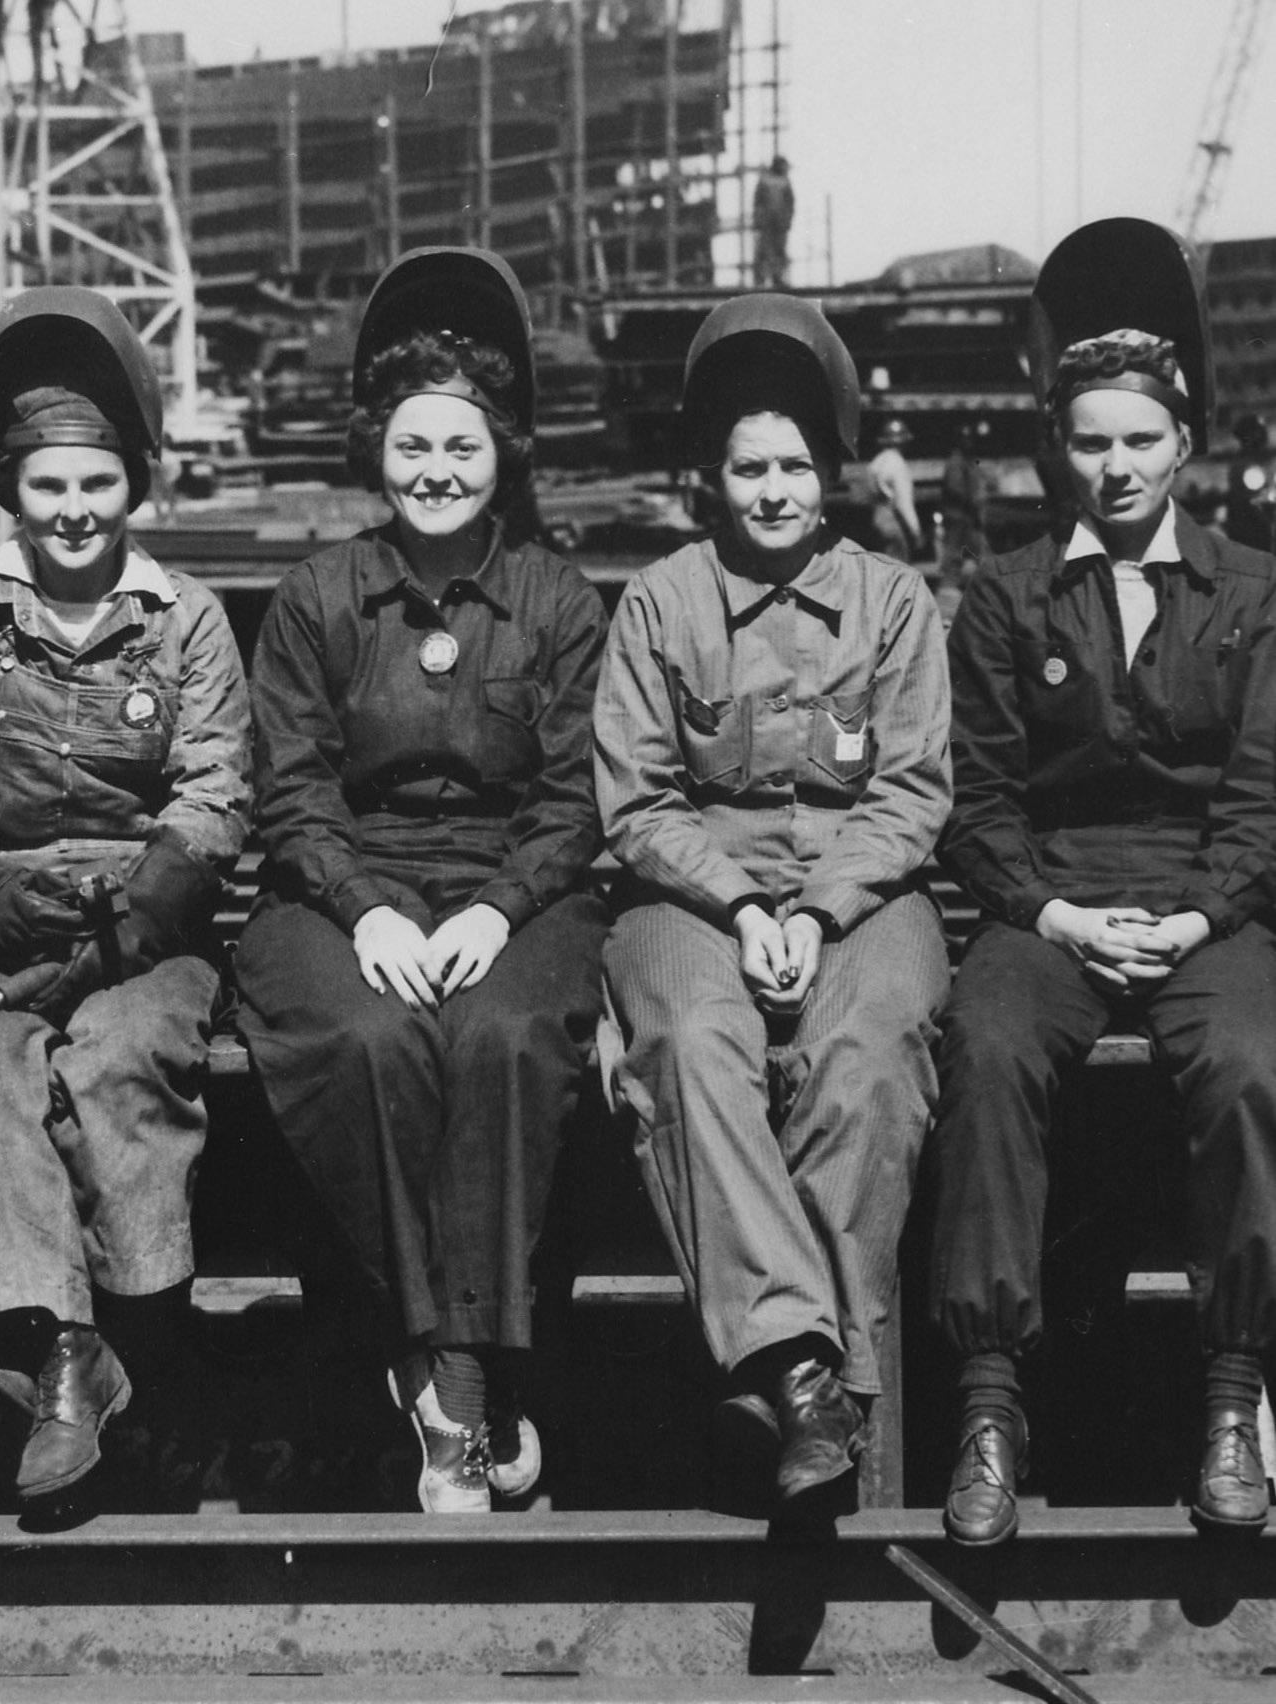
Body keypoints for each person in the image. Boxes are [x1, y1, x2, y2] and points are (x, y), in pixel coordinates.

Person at [236, 248, 607, 1514]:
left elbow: (572, 797)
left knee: (508, 1037)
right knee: (363, 1036)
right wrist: (366, 907)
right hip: (344, 886)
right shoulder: (319, 596)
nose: (435, 471)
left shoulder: (554, 598)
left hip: (516, 887)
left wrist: (503, 906)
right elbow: (288, 788)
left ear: (501, 451)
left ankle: (462, 1367)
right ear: (375, 453)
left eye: (460, 446)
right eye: (410, 448)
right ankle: (452, 1375)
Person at [929, 217, 1276, 1544]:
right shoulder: (1008, 597)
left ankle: (1234, 1389)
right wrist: (1055, 914)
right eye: (1088, 441)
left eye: (1137, 439)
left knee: (1246, 1060)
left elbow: (1259, 795)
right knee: (985, 1042)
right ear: (1055, 448)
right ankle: (987, 1400)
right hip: (1053, 904)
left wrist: (1198, 914)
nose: (1113, 465)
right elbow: (978, 801)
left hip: (1210, 903)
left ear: (1181, 445)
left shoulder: (1250, 593)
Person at [0, 288, 250, 1506]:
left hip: (144, 925)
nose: (74, 511)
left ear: (133, 486)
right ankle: (60, 1350)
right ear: (12, 493)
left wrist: (129, 924)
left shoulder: (185, 620)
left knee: (122, 1053)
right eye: (48, 487)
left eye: (97, 483)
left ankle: (148, 1342)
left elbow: (211, 796)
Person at [594, 293, 951, 1509]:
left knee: (873, 1045)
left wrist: (821, 909)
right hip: (691, 893)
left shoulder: (893, 603)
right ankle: (810, 1370)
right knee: (690, 1040)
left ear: (830, 472)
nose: (775, 491)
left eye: (796, 465)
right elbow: (638, 800)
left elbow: (909, 792)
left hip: (865, 890)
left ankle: (807, 1394)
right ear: (713, 477)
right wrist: (747, 906)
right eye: (749, 467)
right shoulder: (662, 601)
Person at [866, 418, 923, 563]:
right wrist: (916, 531)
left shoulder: (875, 463)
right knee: (898, 568)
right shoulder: (897, 465)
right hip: (894, 522)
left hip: (877, 520)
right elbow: (903, 504)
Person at [939, 425, 991, 583]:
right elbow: (956, 489)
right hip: (958, 516)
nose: (969, 443)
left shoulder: (968, 461)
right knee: (954, 554)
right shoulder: (956, 462)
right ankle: (948, 585)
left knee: (981, 551)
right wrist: (972, 501)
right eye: (965, 439)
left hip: (968, 516)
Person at [1225, 413, 1272, 554]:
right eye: (1259, 431)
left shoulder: (1248, 462)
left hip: (1248, 531)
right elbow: (1253, 503)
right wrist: (1269, 526)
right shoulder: (1246, 466)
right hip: (1250, 533)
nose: (1264, 435)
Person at [752, 157, 795, 289]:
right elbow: (789, 203)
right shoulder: (779, 182)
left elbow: (789, 203)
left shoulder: (770, 181)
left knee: (774, 251)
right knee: (769, 251)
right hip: (771, 222)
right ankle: (768, 278)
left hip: (775, 222)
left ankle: (772, 278)